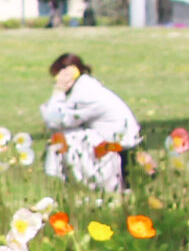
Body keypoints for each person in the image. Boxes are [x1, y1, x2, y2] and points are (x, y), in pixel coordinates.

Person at [40, 52, 140, 191]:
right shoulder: (87, 87)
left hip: (117, 149)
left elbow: (55, 121)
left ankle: (69, 184)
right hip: (118, 145)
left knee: (64, 137)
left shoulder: (84, 93)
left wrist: (58, 90)